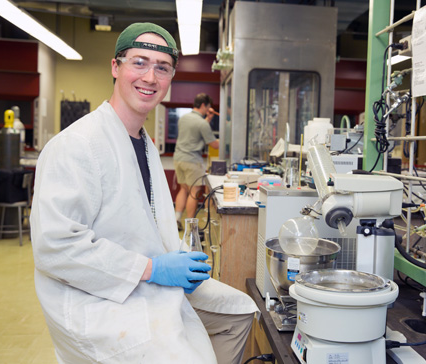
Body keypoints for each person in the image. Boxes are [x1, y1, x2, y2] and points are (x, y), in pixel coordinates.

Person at [30, 22, 257, 364]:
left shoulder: (144, 143)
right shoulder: (77, 145)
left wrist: (181, 258)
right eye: (139, 62)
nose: (150, 77)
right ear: (115, 67)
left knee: (240, 311)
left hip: (143, 278)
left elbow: (150, 223)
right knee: (188, 356)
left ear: (170, 78)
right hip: (96, 298)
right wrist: (153, 268)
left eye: (162, 68)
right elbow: (55, 247)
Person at [173, 93, 219, 230]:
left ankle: (177, 219)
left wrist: (208, 119)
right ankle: (190, 226)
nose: (209, 109)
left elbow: (196, 130)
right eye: (209, 107)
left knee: (183, 189)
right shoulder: (201, 123)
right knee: (195, 191)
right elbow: (214, 144)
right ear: (204, 105)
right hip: (192, 161)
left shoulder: (184, 118)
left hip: (179, 158)